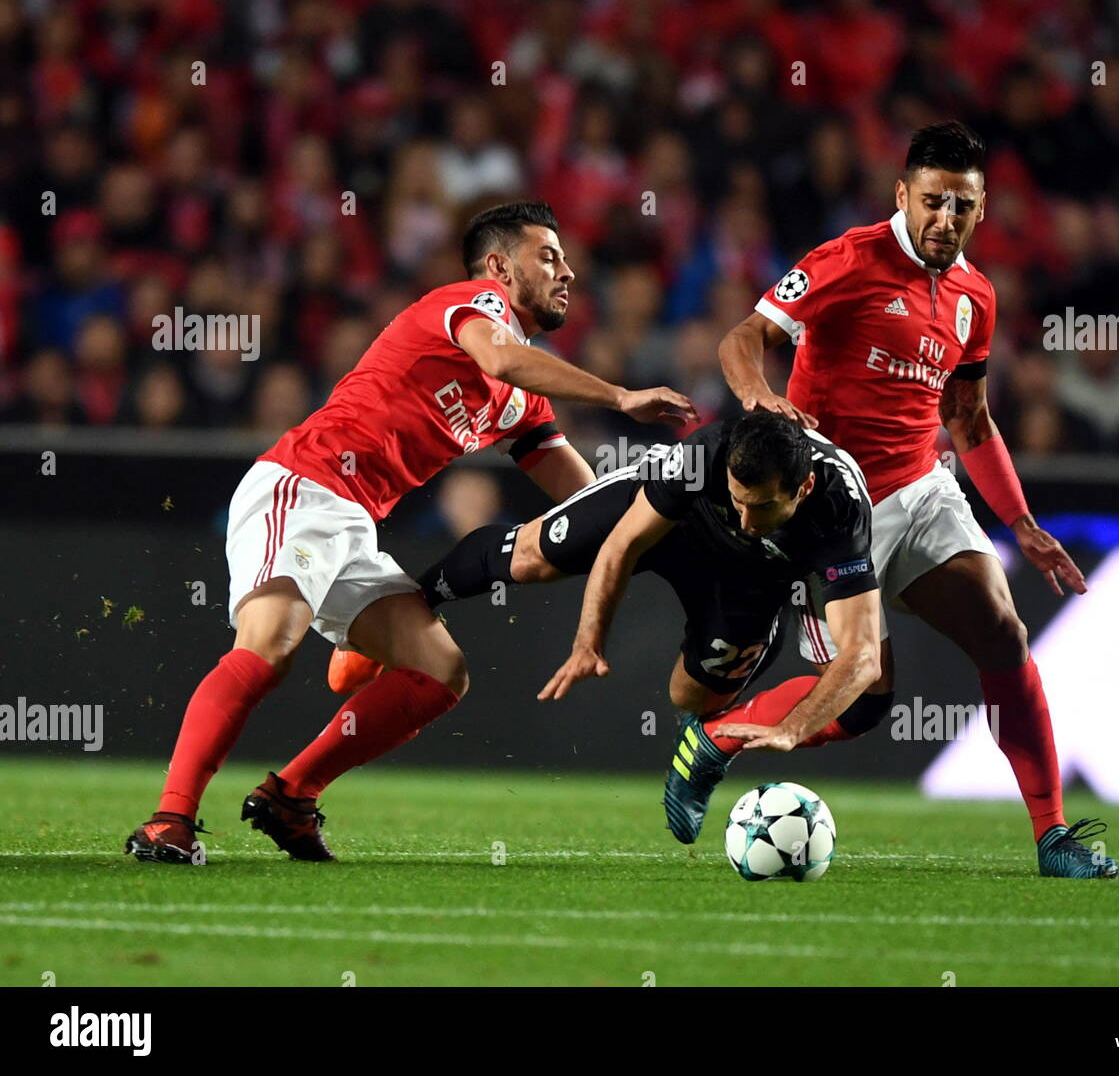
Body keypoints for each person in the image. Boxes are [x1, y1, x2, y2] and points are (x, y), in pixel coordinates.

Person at [125, 201, 696, 863]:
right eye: (549, 256)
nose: (568, 272)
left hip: (355, 522)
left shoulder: (523, 403)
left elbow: (585, 500)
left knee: (440, 670)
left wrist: (675, 519)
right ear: (499, 267)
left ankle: (292, 794)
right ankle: (169, 820)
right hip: (301, 485)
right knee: (270, 645)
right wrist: (620, 397)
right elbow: (504, 360)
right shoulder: (470, 305)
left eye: (567, 260)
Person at [716, 121, 1119, 878]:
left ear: (982, 208)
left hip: (920, 486)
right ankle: (713, 741)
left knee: (1004, 631)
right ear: (903, 195)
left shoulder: (975, 296)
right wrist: (758, 397)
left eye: (962, 206)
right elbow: (742, 337)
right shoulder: (848, 259)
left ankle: (1054, 836)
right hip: (829, 505)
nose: (946, 219)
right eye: (932, 201)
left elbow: (967, 420)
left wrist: (1023, 525)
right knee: (866, 702)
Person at [358, 411, 882, 844]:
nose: (746, 519)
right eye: (739, 500)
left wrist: (793, 728)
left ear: (805, 486)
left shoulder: (841, 508)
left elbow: (861, 655)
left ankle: (701, 746)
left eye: (763, 506)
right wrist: (589, 640)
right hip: (668, 524)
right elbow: (623, 544)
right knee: (537, 556)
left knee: (693, 697)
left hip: (752, 574)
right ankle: (411, 602)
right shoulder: (700, 458)